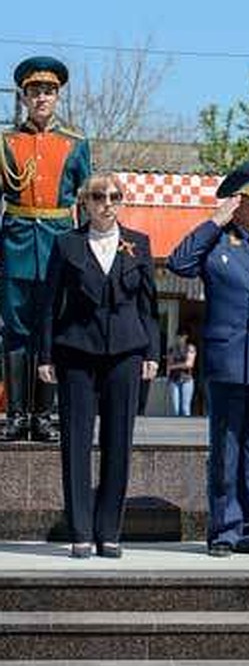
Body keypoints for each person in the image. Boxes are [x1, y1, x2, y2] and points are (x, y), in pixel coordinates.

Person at [167, 158, 249, 558]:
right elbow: (178, 262)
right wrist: (214, 221)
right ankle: (224, 531)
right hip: (228, 365)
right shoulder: (217, 245)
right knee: (226, 452)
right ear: (237, 204)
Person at [38, 173, 159, 558]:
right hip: (75, 354)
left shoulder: (138, 244)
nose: (108, 202)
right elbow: (48, 305)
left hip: (125, 354)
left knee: (118, 443)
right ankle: (81, 531)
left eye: (115, 196)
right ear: (85, 203)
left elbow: (149, 307)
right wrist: (44, 356)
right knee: (75, 443)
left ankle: (109, 531)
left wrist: (152, 353)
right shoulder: (67, 244)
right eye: (99, 196)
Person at [1, 56, 91, 443]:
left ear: (58, 98)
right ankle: (17, 415)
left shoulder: (75, 144)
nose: (42, 97)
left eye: (49, 91)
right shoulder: (6, 142)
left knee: (53, 330)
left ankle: (45, 415)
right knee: (16, 329)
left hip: (58, 244)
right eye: (35, 91)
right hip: (16, 243)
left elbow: (88, 199)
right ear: (23, 97)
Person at [166, 332, 198, 417]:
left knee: (185, 408)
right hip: (173, 379)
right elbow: (169, 365)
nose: (180, 338)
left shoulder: (190, 348)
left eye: (182, 336)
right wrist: (180, 365)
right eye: (178, 336)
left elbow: (189, 364)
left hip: (187, 380)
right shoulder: (172, 349)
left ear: (186, 337)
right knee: (175, 409)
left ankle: (186, 428)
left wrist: (175, 366)